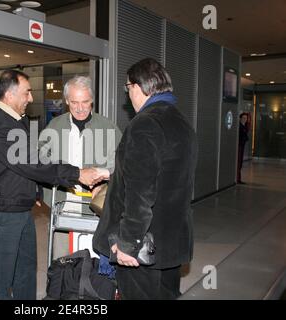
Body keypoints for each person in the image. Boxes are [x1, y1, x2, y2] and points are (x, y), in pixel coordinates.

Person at [0, 69, 106, 300]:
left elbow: (25, 164)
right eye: (27, 92)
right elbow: (32, 163)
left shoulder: (15, 120)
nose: (31, 98)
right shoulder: (0, 126)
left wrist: (33, 190)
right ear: (10, 94)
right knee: (1, 278)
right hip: (3, 213)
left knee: (25, 271)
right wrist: (77, 173)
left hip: (19, 207)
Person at [93, 58, 198, 299]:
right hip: (171, 242)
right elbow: (165, 175)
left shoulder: (145, 124)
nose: (128, 94)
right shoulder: (182, 123)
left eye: (127, 88)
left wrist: (129, 243)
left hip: (144, 247)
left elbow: (140, 193)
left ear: (138, 87)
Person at [39, 75, 122, 258]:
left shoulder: (108, 128)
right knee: (62, 259)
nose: (80, 108)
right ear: (67, 101)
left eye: (85, 102)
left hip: (96, 206)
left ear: (92, 100)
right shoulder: (54, 126)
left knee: (93, 260)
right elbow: (40, 162)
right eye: (74, 102)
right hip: (63, 201)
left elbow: (121, 165)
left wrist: (104, 184)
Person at [237, 113, 249, 184]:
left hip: (242, 145)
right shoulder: (240, 126)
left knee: (240, 162)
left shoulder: (244, 126)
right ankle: (238, 179)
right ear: (240, 118)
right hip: (239, 146)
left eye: (246, 118)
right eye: (243, 118)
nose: (245, 119)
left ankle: (239, 178)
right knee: (239, 162)